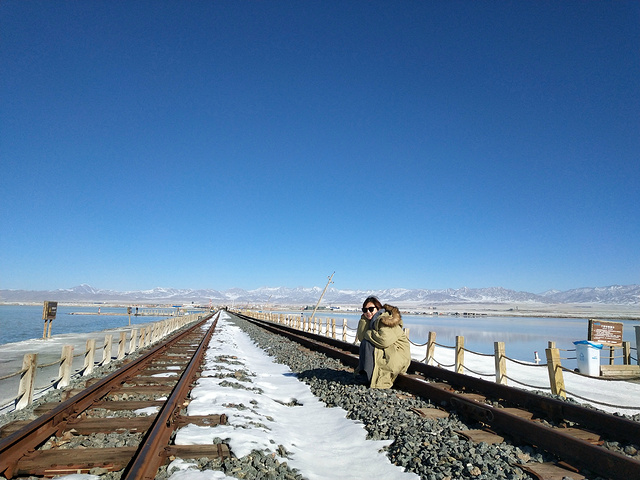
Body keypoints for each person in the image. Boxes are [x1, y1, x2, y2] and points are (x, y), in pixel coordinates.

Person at [356, 296, 412, 389]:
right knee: (365, 343)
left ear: (378, 308)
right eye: (364, 310)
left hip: (397, 353)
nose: (368, 312)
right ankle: (365, 373)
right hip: (388, 350)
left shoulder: (385, 319)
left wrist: (369, 333)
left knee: (368, 344)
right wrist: (364, 319)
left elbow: (384, 341)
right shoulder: (372, 320)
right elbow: (361, 337)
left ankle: (368, 376)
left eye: (371, 309)